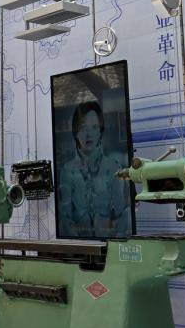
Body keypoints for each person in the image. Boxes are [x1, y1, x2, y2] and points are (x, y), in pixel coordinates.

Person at [57, 100, 132, 238]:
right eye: (83, 127)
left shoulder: (114, 167)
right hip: (78, 245)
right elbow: (64, 217)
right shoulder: (66, 171)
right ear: (75, 132)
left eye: (94, 127)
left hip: (110, 243)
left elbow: (121, 213)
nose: (89, 134)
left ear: (100, 132)